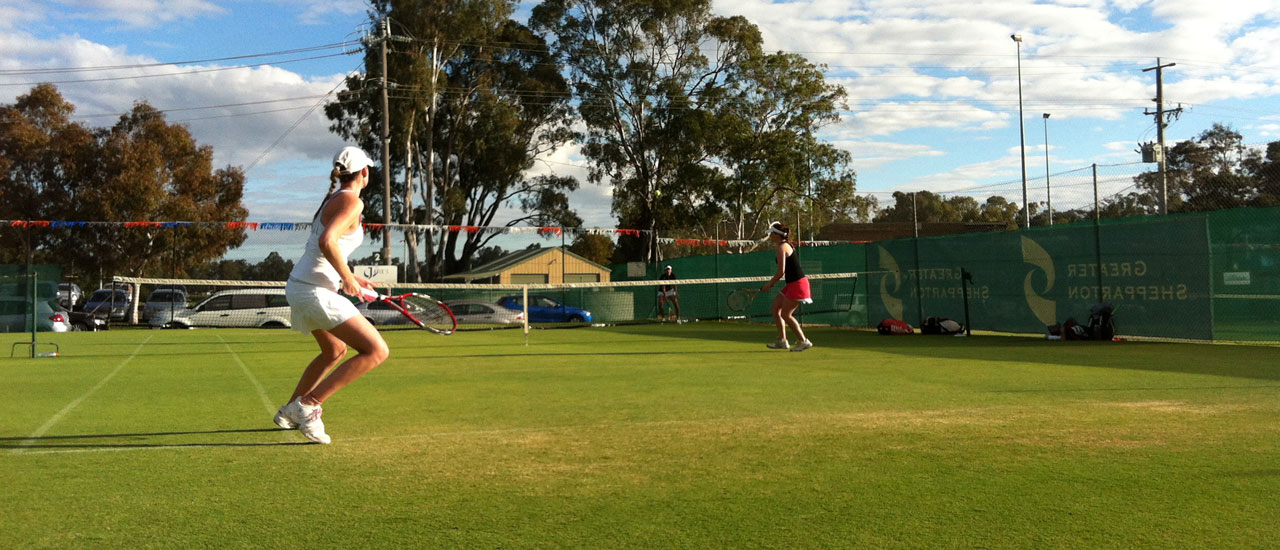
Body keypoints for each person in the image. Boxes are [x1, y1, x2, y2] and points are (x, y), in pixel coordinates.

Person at [274, 146, 389, 444]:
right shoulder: (352, 202)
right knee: (376, 351)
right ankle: (309, 406)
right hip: (311, 290)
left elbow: (326, 248)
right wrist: (348, 280)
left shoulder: (334, 198)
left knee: (335, 350)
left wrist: (352, 276)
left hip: (300, 286)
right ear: (364, 173)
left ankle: (290, 410)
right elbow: (327, 241)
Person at [760, 221, 813, 351]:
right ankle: (782, 340)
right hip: (791, 284)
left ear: (777, 235)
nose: (770, 236)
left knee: (786, 314)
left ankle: (803, 341)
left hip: (798, 285)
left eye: (771, 234)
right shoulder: (785, 245)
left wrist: (769, 284)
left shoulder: (782, 248)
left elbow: (780, 272)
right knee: (775, 308)